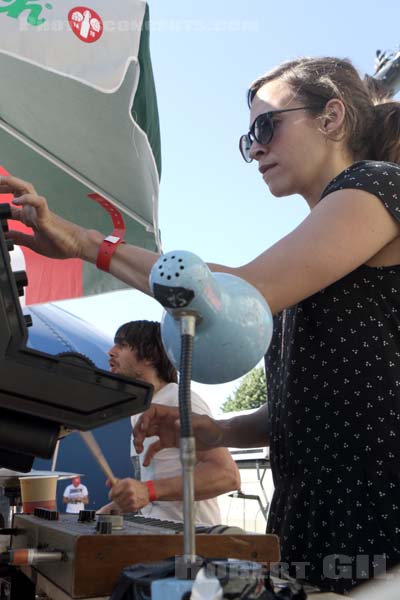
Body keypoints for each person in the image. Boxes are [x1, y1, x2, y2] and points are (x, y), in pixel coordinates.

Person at [3, 55, 400, 593]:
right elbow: (317, 393)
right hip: (321, 523)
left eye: (265, 126)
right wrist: (221, 430)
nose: (255, 147)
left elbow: (233, 294)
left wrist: (83, 242)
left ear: (331, 118)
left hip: (377, 521)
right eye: (248, 139)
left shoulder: (379, 186)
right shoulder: (327, 242)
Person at [99, 319, 240, 526]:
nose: (111, 352)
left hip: (192, 545)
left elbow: (227, 475)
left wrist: (148, 490)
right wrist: (113, 508)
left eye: (121, 344)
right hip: (159, 539)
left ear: (149, 355)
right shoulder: (140, 412)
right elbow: (155, 497)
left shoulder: (179, 400)